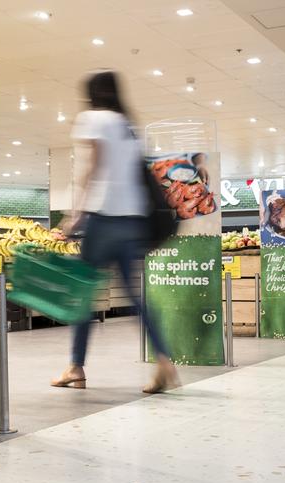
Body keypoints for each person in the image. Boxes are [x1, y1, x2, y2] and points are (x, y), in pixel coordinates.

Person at [51, 70, 178, 394]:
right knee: (136, 298)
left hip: (103, 217)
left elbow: (93, 166)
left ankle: (75, 366)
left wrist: (74, 215)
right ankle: (164, 360)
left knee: (82, 295)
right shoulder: (129, 126)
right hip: (132, 221)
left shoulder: (93, 118)